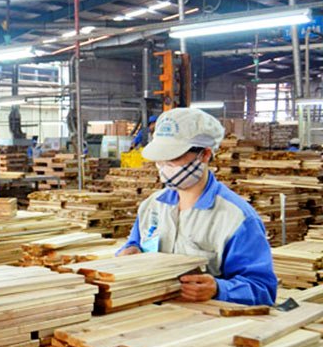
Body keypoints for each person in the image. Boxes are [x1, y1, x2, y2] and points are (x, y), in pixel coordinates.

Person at [118, 108, 277, 306]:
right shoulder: (152, 207)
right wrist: (130, 251)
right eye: (160, 158)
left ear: (205, 155)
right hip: (151, 315)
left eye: (173, 158)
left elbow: (263, 289)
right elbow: (135, 243)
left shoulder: (237, 218)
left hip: (204, 321)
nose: (164, 166)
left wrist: (219, 289)